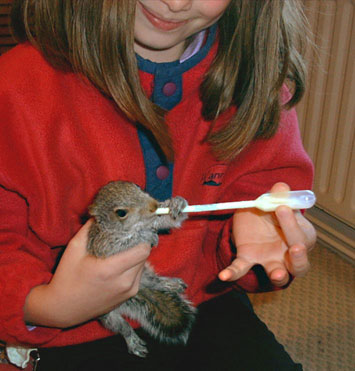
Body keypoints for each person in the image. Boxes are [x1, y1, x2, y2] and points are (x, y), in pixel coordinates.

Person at [0, 0, 316, 370]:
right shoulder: (16, 87)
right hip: (61, 334)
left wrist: (259, 237)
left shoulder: (257, 81)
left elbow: (259, 213)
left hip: (200, 305)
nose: (177, 2)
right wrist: (49, 306)